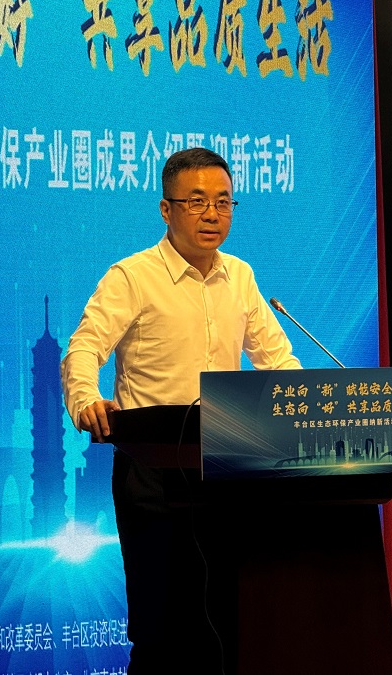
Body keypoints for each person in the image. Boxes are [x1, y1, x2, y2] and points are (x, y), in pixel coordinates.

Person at [61, 147, 301, 674]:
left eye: (223, 201)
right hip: (153, 474)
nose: (213, 214)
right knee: (162, 630)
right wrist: (85, 400)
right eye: (197, 202)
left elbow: (278, 360)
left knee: (228, 623)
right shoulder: (132, 276)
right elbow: (84, 347)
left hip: (228, 468)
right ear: (166, 210)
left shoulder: (240, 276)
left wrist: (312, 410)